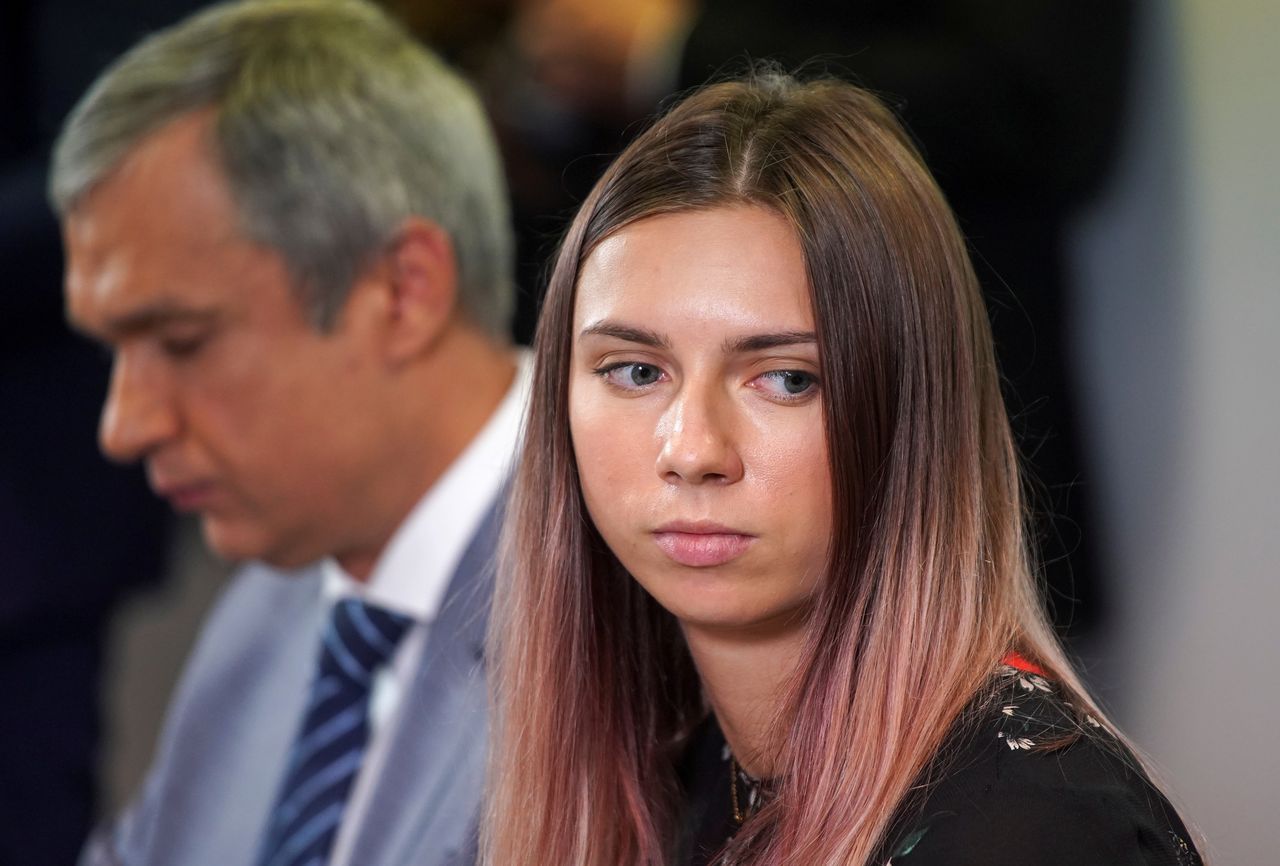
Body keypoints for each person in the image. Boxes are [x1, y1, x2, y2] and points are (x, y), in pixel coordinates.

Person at [483, 73, 1201, 865]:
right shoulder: (681, 769)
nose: (691, 451)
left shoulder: (1030, 828)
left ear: (911, 414)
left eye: (788, 379)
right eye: (635, 371)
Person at [50, 2, 523, 865]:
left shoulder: (647, 605)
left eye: (182, 341)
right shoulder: (272, 601)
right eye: (115, 351)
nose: (123, 427)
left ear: (402, 292)